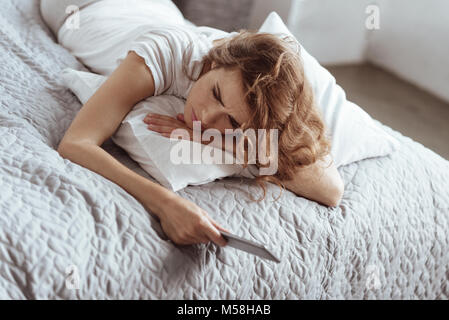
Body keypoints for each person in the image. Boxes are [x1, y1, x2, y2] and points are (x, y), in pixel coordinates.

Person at [41, 0, 344, 248]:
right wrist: (165, 204)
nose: (208, 118)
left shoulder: (254, 91)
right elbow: (76, 143)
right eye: (214, 93)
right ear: (213, 64)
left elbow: (331, 190)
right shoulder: (163, 55)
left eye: (232, 121)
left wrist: (220, 140)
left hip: (159, 10)